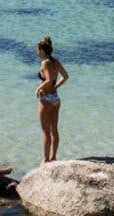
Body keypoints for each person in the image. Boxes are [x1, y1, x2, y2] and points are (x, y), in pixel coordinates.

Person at [35, 35, 68, 163]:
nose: (37, 52)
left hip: (46, 99)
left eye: (38, 50)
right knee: (54, 129)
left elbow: (48, 80)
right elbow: (65, 76)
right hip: (55, 98)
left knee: (45, 131)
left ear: (42, 51)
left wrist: (38, 88)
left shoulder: (45, 62)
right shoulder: (55, 61)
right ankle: (53, 156)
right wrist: (56, 87)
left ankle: (45, 159)